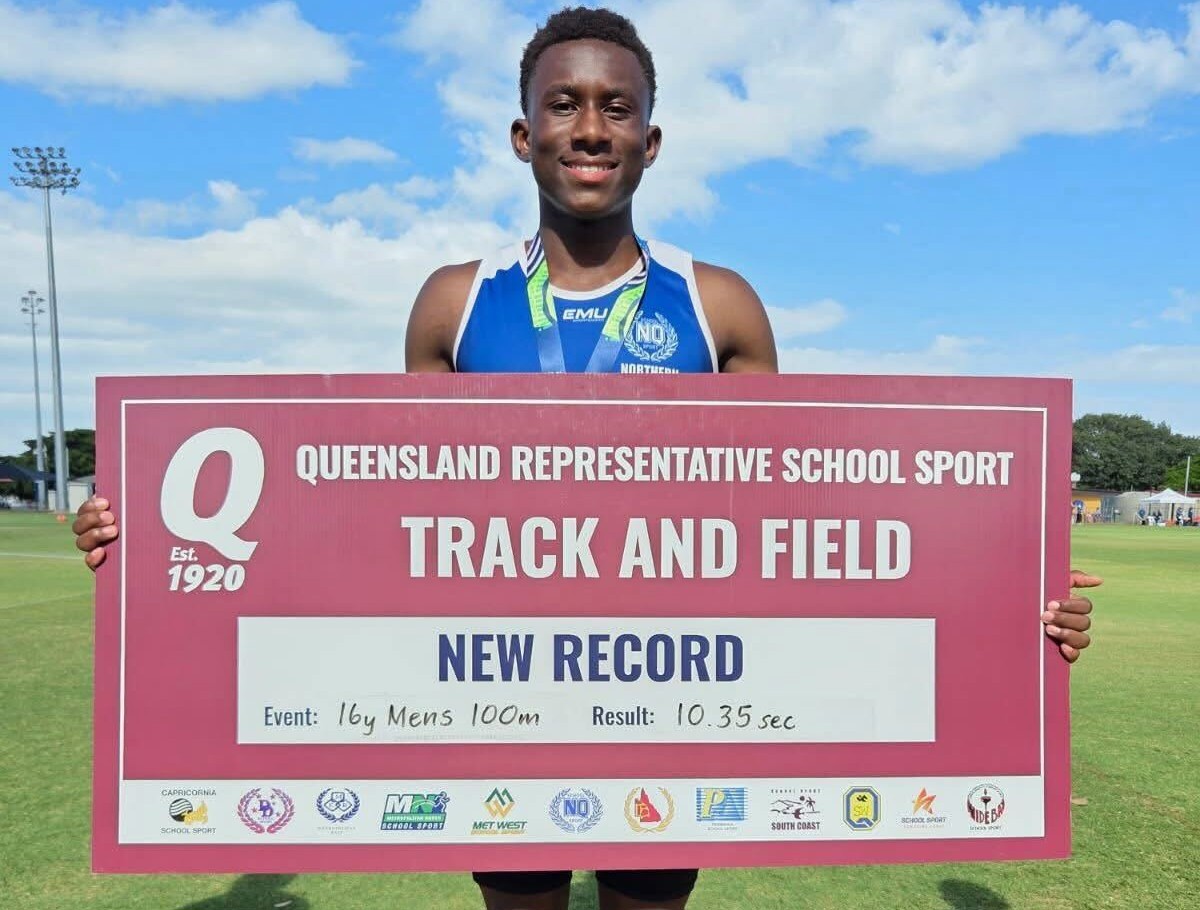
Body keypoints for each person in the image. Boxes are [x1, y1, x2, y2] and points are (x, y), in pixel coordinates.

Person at [71, 7, 1099, 909]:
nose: (591, 127)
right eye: (564, 105)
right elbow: (369, 532)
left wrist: (1016, 599)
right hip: (496, 706)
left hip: (677, 709)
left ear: (652, 141)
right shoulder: (452, 302)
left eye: (617, 108)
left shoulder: (720, 303)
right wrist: (148, 539)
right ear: (525, 135)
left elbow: (802, 531)